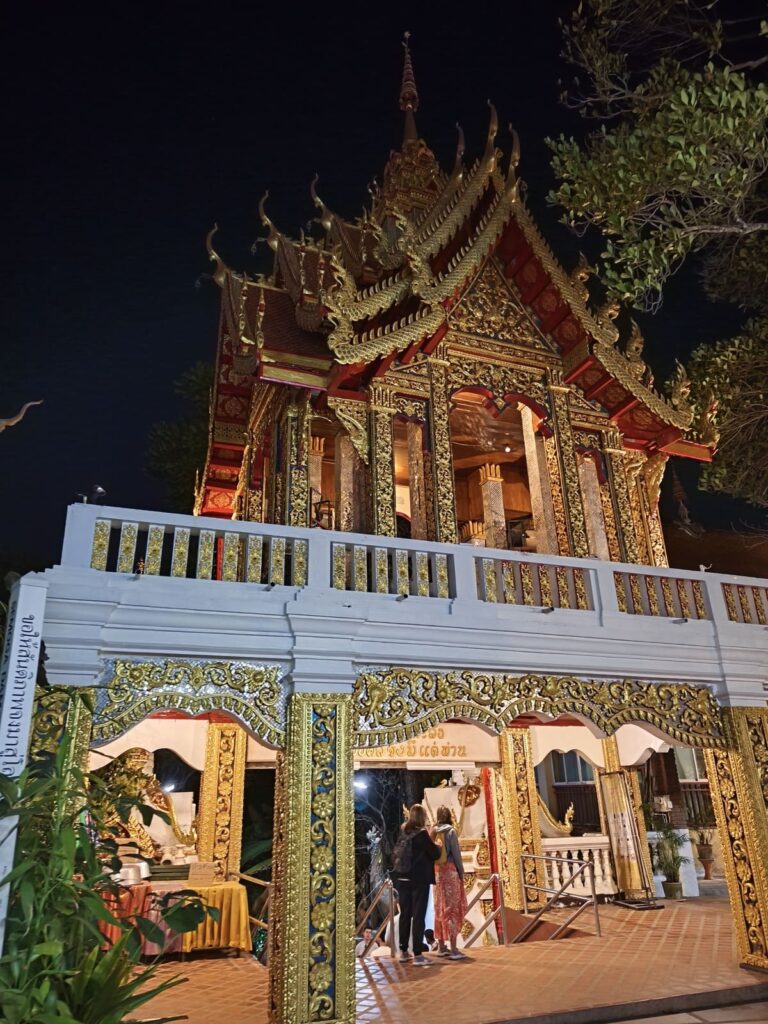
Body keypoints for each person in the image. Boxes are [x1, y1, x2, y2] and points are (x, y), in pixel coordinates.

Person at [392, 803, 441, 966]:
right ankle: (418, 954)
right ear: (422, 817)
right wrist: (437, 843)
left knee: (405, 914)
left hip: (402, 879)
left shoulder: (404, 832)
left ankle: (404, 951)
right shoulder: (422, 834)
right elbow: (434, 853)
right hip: (419, 880)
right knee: (418, 915)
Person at [431, 805, 469, 960]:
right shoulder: (451, 831)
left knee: (440, 908)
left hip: (437, 873)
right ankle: (453, 949)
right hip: (451, 872)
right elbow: (457, 854)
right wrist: (461, 872)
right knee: (452, 909)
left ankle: (441, 947)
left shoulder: (433, 831)